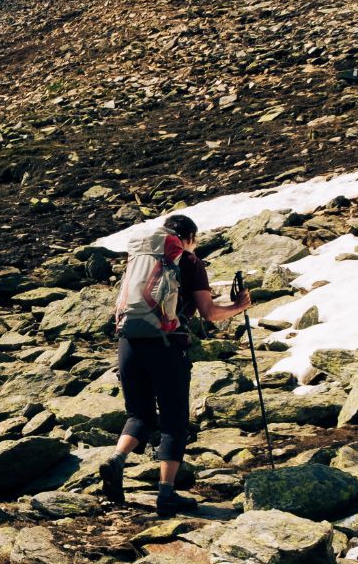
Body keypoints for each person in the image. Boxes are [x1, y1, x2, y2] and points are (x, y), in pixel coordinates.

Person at [99, 212, 250, 515]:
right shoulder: (189, 261)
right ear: (189, 238)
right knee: (174, 420)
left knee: (139, 414)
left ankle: (116, 460)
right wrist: (239, 306)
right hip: (167, 346)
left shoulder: (140, 257)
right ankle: (166, 493)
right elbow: (209, 313)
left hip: (129, 341)